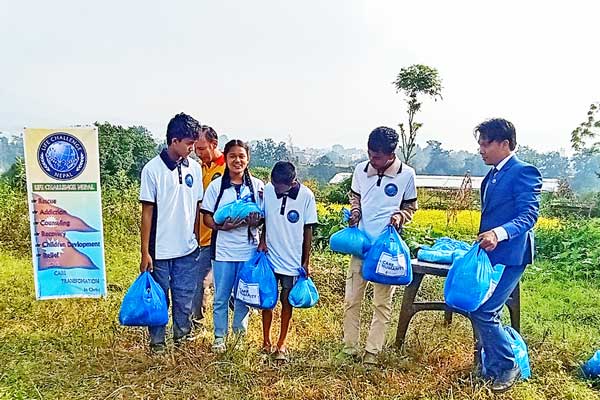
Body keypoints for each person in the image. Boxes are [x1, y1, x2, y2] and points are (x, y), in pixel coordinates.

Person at [471, 118, 542, 393]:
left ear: (505, 144)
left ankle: (507, 363)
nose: (480, 149)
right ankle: (488, 364)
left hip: (511, 254)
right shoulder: (492, 175)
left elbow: (528, 216)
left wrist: (498, 234)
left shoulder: (523, 172)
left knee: (485, 310)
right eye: (479, 143)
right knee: (478, 306)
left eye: (485, 143)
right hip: (490, 254)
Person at [341, 126, 418, 365]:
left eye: (377, 156)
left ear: (391, 154)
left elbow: (411, 207)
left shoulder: (407, 175)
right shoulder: (360, 170)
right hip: (361, 247)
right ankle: (349, 348)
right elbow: (356, 197)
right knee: (352, 299)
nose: (372, 160)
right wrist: (355, 212)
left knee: (381, 304)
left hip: (386, 253)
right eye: (370, 154)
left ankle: (372, 352)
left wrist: (399, 217)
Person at [139, 112, 204, 353]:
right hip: (160, 250)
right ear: (174, 140)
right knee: (159, 298)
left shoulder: (194, 169)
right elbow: (147, 213)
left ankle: (182, 337)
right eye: (188, 143)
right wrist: (145, 252)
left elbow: (197, 206)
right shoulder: (152, 170)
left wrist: (195, 237)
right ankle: (157, 344)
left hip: (187, 248)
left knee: (184, 295)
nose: (192, 148)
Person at [200, 139, 264, 353]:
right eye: (232, 156)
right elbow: (206, 217)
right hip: (223, 251)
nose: (237, 160)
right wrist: (220, 227)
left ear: (248, 159)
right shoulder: (217, 187)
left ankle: (239, 337)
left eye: (241, 156)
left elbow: (264, 217)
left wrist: (256, 221)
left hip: (248, 250)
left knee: (243, 297)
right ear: (226, 159)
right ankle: (219, 337)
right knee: (221, 296)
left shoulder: (257, 187)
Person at [258, 161, 318, 361]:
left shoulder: (306, 196)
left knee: (287, 302)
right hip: (270, 258)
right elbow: (265, 218)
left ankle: (281, 343)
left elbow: (308, 230)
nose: (275, 189)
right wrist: (263, 240)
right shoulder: (268, 191)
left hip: (292, 262)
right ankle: (265, 341)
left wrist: (305, 262)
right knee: (267, 301)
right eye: (273, 184)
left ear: (292, 183)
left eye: (279, 187)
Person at [191, 125, 225, 328]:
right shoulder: (198, 168)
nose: (199, 153)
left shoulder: (227, 168)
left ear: (214, 144)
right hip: (200, 238)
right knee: (199, 282)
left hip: (223, 238)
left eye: (202, 148)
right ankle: (197, 323)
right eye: (196, 149)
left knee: (213, 282)